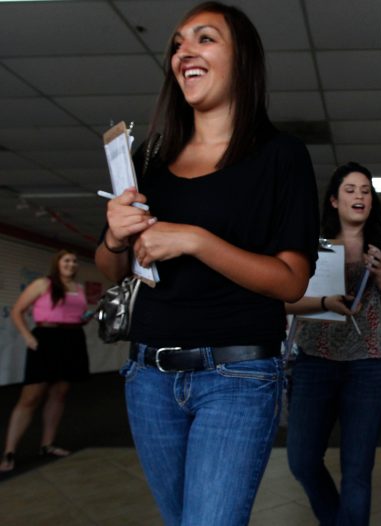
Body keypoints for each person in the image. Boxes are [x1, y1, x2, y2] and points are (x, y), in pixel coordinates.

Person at [94, 2, 318, 524]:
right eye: (176, 44)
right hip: (148, 378)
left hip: (237, 377)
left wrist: (196, 240)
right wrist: (113, 234)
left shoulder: (281, 156)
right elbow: (112, 270)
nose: (183, 52)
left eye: (204, 38)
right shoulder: (150, 157)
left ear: (243, 58)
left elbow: (291, 280)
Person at [286, 162, 381, 526]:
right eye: (350, 190)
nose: (359, 196)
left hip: (370, 364)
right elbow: (286, 300)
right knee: (300, 459)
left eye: (365, 190)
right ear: (333, 200)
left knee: (357, 471)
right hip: (315, 360)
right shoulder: (313, 250)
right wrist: (325, 302)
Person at [0, 249, 89, 472]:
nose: (71, 263)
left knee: (60, 393)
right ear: (57, 263)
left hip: (72, 340)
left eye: (74, 261)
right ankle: (9, 452)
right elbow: (17, 311)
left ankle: (47, 445)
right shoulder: (43, 284)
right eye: (66, 260)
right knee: (31, 397)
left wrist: (85, 320)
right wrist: (28, 336)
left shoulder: (79, 289)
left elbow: (75, 316)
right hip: (46, 339)